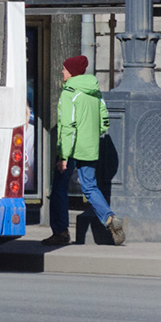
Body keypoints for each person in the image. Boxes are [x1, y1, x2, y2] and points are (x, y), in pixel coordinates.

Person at [43, 55, 125, 246]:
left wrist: (63, 155)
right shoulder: (95, 92)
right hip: (90, 147)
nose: (62, 72)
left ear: (71, 72)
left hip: (71, 149)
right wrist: (91, 135)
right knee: (90, 187)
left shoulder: (69, 93)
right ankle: (110, 219)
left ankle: (61, 232)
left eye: (64, 69)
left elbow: (68, 126)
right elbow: (104, 121)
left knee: (59, 190)